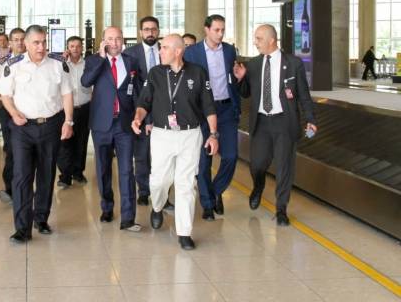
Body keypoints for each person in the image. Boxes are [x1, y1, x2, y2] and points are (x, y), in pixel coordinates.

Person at [133, 35, 218, 250]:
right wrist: (138, 118)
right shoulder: (155, 73)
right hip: (162, 134)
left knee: (185, 184)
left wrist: (213, 134)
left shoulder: (198, 73)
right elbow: (144, 102)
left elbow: (208, 106)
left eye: (164, 48)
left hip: (190, 135)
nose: (160, 51)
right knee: (159, 181)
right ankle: (157, 206)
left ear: (178, 51)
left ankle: (184, 233)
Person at [233, 24, 317, 226]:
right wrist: (241, 79)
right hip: (261, 122)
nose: (255, 42)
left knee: (284, 166)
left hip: (284, 122)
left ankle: (281, 209)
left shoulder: (293, 63)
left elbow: (303, 95)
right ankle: (258, 186)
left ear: (272, 40)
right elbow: (245, 93)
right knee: (257, 164)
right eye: (255, 38)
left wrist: (311, 119)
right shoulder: (253, 65)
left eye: (259, 39)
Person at [0, 24, 74, 243]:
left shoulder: (58, 64)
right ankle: (22, 228)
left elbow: (67, 94)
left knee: (46, 174)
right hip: (23, 128)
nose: (41, 47)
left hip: (50, 125)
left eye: (43, 42)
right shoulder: (13, 65)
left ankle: (41, 218)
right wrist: (13, 113)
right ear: (26, 43)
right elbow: (5, 95)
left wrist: (68, 121)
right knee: (22, 176)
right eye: (36, 43)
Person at [82, 26, 142, 232]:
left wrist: (141, 117)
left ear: (123, 40)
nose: (114, 43)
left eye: (118, 38)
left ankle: (128, 217)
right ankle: (107, 207)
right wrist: (100, 58)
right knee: (103, 169)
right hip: (101, 124)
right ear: (103, 41)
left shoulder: (131, 61)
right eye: (110, 39)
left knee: (127, 170)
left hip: (124, 124)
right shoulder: (93, 60)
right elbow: (85, 82)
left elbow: (137, 92)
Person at [184, 14, 240, 221]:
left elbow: (232, 78)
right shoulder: (192, 53)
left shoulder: (229, 50)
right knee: (203, 161)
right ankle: (207, 204)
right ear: (206, 29)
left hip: (226, 109)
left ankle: (215, 191)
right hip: (202, 112)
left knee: (231, 156)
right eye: (216, 30)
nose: (220, 34)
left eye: (222, 30)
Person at [123, 16, 160, 206]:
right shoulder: (130, 54)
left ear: (158, 31)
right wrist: (143, 117)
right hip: (139, 113)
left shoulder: (166, 51)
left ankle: (162, 194)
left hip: (165, 114)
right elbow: (128, 88)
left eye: (153, 29)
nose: (150, 33)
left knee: (163, 158)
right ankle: (144, 191)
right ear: (140, 32)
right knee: (142, 156)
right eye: (146, 29)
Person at [0, 27, 27, 203]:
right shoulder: (4, 64)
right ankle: (10, 189)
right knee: (11, 150)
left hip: (28, 113)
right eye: (16, 40)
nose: (19, 43)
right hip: (8, 113)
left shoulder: (36, 62)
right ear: (10, 43)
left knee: (28, 153)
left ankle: (24, 187)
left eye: (22, 39)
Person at [56, 36, 92, 188]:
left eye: (78, 46)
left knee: (81, 142)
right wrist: (60, 60)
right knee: (64, 142)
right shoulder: (60, 64)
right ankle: (65, 176)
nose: (75, 49)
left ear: (82, 48)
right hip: (65, 110)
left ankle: (78, 172)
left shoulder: (88, 64)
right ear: (67, 48)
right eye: (72, 46)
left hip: (84, 109)